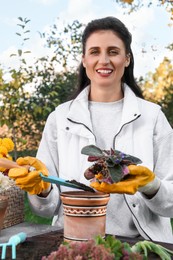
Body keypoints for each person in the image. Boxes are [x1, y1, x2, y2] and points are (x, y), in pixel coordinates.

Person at [7, 16, 173, 243]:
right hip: (74, 242)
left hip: (141, 245)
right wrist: (42, 189)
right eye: (95, 51)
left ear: (127, 59)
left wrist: (151, 185)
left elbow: (170, 204)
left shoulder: (152, 117)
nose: (103, 60)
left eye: (113, 52)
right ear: (84, 60)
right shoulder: (60, 118)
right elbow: (46, 209)